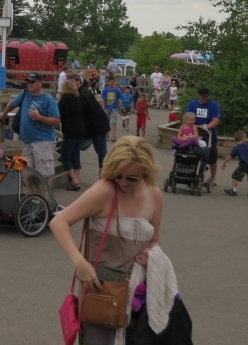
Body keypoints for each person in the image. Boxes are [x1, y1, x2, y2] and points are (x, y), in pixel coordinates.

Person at [49, 137, 163, 345]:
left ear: (145, 173)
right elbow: (59, 222)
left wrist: (151, 254)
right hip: (102, 285)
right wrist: (79, 263)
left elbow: (154, 240)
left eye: (131, 178)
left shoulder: (154, 194)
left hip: (139, 287)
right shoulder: (105, 189)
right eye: (117, 175)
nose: (122, 182)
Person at [0, 73, 60, 178]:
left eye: (32, 81)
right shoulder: (25, 93)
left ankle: (44, 194)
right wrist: (3, 114)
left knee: (43, 174)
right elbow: (13, 103)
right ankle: (30, 194)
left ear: (40, 83)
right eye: (28, 81)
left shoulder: (48, 99)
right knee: (26, 173)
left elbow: (56, 121)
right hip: (27, 141)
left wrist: (39, 117)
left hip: (43, 141)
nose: (29, 84)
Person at [185, 87, 221, 186]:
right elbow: (188, 116)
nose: (205, 98)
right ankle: (194, 174)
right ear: (199, 96)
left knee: (212, 157)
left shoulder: (214, 105)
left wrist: (207, 126)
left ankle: (212, 178)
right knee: (193, 154)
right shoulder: (193, 104)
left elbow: (216, 119)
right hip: (194, 133)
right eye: (203, 96)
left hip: (209, 135)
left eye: (206, 96)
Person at [58, 74, 87, 191]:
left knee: (65, 156)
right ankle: (76, 180)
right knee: (75, 156)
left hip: (70, 131)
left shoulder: (65, 98)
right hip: (80, 130)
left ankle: (74, 181)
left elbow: (57, 113)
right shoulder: (77, 98)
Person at [221, 130, 248, 197]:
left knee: (235, 176)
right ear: (243, 138)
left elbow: (229, 156)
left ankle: (234, 190)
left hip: (242, 165)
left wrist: (224, 163)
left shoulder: (236, 148)